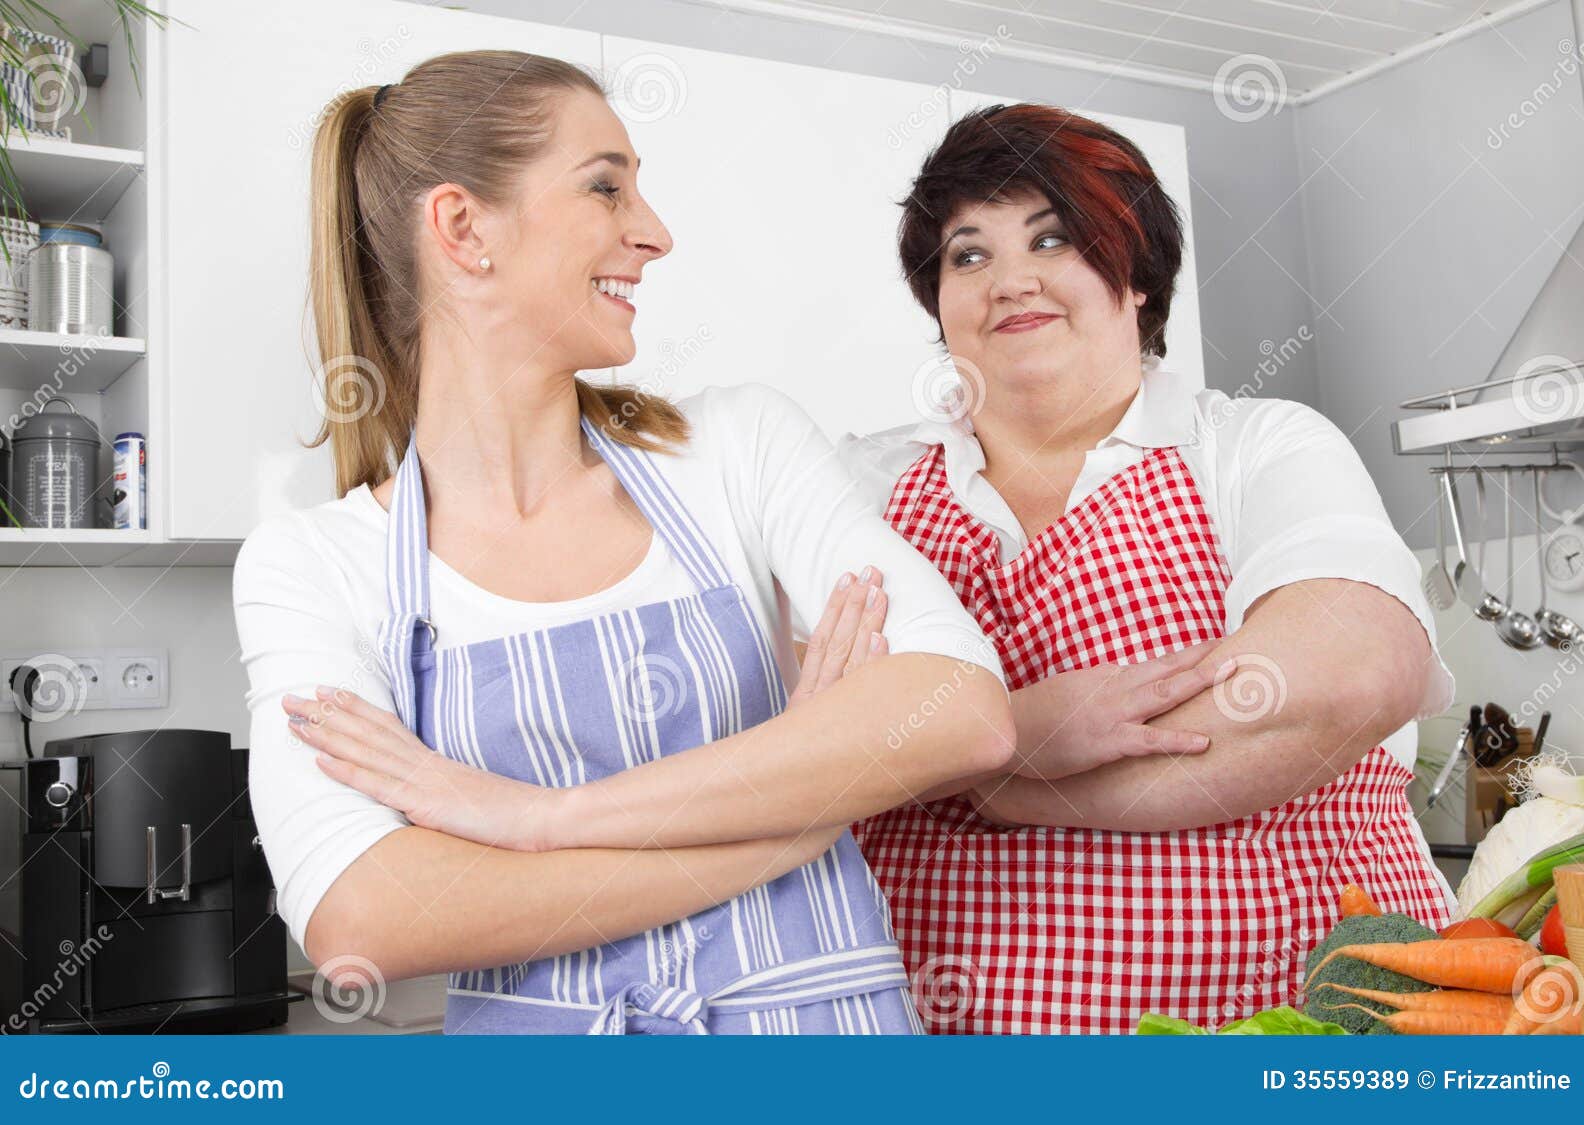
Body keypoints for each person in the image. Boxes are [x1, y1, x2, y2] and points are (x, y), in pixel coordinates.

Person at [233, 50, 1038, 1035]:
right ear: (463, 227)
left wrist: (537, 820)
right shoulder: (314, 567)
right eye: (606, 187)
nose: (653, 234)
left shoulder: (738, 446)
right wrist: (800, 807)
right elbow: (365, 915)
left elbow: (960, 713)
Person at [837, 103, 1457, 1034]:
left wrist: (983, 770)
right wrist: (1022, 729)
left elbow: (1351, 676)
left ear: (1134, 276)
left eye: (1054, 238)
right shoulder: (859, 484)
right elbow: (791, 735)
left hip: (1290, 1030)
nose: (1010, 280)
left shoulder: (1253, 447)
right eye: (968, 255)